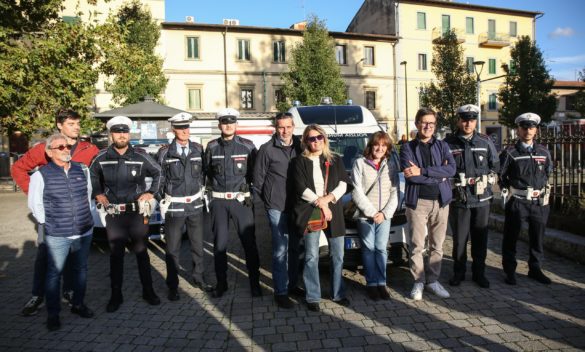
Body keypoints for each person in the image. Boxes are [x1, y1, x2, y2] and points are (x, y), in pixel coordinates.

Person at [12, 109, 99, 316]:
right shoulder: (44, 148)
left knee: (74, 255)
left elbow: (97, 177)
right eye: (71, 123)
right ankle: (38, 295)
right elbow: (18, 169)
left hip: (78, 217)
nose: (76, 127)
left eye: (78, 123)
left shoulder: (89, 149)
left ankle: (69, 292)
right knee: (45, 256)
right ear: (60, 125)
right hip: (53, 218)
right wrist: (35, 194)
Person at [89, 115, 162, 312]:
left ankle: (149, 292)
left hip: (137, 214)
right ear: (111, 135)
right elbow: (92, 174)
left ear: (128, 134)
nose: (121, 135)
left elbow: (158, 172)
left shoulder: (140, 155)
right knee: (116, 255)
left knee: (141, 253)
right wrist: (98, 193)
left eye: (124, 132)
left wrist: (151, 192)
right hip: (114, 215)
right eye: (117, 132)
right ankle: (116, 296)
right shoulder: (101, 157)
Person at [28, 133, 95, 331]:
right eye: (60, 147)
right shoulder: (41, 175)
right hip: (57, 234)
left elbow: (88, 195)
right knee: (54, 275)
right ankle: (53, 314)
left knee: (80, 271)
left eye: (67, 146)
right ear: (49, 152)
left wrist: (86, 220)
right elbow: (35, 204)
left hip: (83, 231)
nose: (66, 150)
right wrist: (48, 223)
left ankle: (78, 304)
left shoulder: (82, 170)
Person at [291, 124, 350, 312]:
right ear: (305, 141)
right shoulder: (298, 162)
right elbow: (300, 188)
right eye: (311, 138)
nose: (315, 141)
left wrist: (328, 200)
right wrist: (322, 204)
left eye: (319, 137)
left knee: (338, 255)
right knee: (311, 256)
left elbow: (343, 184)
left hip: (334, 210)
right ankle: (312, 296)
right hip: (311, 210)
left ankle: (338, 293)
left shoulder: (336, 160)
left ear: (324, 139)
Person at [205, 108, 262, 298]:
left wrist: (251, 195)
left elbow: (256, 174)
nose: (228, 125)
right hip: (219, 203)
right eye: (224, 122)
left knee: (249, 243)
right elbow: (206, 173)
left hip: (241, 202)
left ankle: (255, 283)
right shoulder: (211, 147)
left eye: (231, 122)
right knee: (219, 244)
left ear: (236, 124)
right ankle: (222, 284)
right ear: (219, 125)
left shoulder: (247, 146)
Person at [156, 112, 213, 301]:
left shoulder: (198, 149)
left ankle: (199, 278)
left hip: (195, 205)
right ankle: (173, 285)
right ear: (174, 130)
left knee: (197, 245)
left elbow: (204, 173)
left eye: (187, 127)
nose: (185, 131)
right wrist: (161, 199)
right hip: (175, 208)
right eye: (180, 128)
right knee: (173, 248)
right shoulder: (164, 152)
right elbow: (159, 179)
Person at [400, 108, 456, 301]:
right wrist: (438, 176)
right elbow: (411, 177)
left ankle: (432, 280)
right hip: (418, 202)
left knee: (437, 245)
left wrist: (423, 171)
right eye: (424, 122)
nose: (428, 126)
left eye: (431, 123)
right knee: (416, 245)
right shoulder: (407, 147)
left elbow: (451, 169)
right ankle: (418, 281)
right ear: (417, 124)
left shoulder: (442, 145)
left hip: (441, 202)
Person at [445, 105, 499, 289]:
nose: (468, 123)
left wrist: (489, 177)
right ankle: (458, 273)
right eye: (464, 119)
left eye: (472, 119)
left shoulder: (485, 142)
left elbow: (495, 165)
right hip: (459, 200)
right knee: (460, 241)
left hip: (482, 200)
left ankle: (479, 273)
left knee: (480, 239)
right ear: (458, 120)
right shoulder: (448, 143)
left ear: (476, 121)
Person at [253, 112, 302, 309]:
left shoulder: (301, 146)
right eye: (281, 127)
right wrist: (264, 205)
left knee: (295, 249)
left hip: (298, 206)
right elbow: (258, 180)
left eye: (288, 127)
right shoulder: (267, 149)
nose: (284, 131)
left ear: (293, 127)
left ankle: (293, 284)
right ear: (276, 128)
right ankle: (281, 292)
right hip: (276, 206)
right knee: (280, 250)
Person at [499, 112, 552, 285]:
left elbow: (548, 172)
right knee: (511, 237)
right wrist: (507, 190)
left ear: (536, 130)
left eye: (531, 127)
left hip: (539, 203)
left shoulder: (543, 151)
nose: (528, 130)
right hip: (518, 201)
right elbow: (501, 175)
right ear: (518, 130)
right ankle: (509, 271)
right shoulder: (510, 152)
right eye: (524, 127)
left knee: (537, 238)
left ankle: (535, 269)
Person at [351, 131, 398, 301]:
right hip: (366, 216)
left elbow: (395, 191)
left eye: (383, 145)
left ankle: (381, 283)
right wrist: (372, 213)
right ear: (371, 146)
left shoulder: (390, 165)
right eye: (377, 144)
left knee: (381, 249)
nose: (379, 148)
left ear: (387, 148)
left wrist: (384, 213)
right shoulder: (359, 163)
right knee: (368, 250)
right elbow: (357, 192)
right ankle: (371, 284)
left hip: (384, 216)